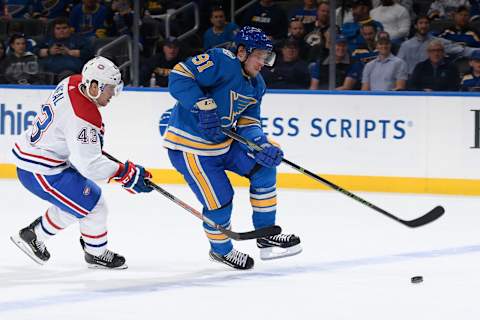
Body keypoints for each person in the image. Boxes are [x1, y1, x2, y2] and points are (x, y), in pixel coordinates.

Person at [165, 26, 302, 270]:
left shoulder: (257, 86)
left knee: (264, 169)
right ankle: (221, 251)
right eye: (259, 56)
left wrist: (261, 144)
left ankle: (265, 233)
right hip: (190, 148)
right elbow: (179, 75)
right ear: (241, 52)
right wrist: (202, 104)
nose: (263, 63)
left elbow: (249, 122)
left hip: (224, 145)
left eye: (266, 57)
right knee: (221, 201)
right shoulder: (220, 60)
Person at [10, 56, 153, 269]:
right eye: (110, 89)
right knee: (95, 206)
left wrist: (89, 143)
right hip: (41, 170)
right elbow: (90, 166)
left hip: (39, 159)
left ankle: (33, 235)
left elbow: (71, 131)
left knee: (77, 203)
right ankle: (96, 253)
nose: (113, 94)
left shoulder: (73, 81)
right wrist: (126, 174)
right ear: (94, 86)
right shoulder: (84, 116)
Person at [35, 17, 93, 81]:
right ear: (53, 30)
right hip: (47, 72)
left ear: (70, 29)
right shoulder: (46, 40)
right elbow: (35, 51)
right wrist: (49, 51)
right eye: (58, 28)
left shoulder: (79, 40)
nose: (61, 30)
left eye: (64, 28)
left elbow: (89, 53)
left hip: (70, 73)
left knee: (66, 75)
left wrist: (70, 52)